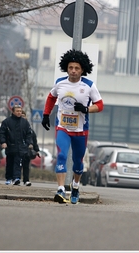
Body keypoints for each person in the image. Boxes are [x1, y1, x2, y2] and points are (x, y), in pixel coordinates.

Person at [41, 49, 104, 204]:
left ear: (82, 69)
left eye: (77, 68)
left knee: (78, 161)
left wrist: (86, 109)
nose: (73, 71)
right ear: (66, 68)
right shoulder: (60, 83)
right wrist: (45, 115)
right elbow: (51, 97)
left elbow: (100, 105)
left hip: (80, 130)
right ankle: (61, 189)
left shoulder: (89, 86)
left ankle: (75, 186)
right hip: (62, 126)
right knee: (61, 155)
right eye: (71, 68)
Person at [0, 105, 34, 186]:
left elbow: (29, 133)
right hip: (10, 146)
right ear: (13, 112)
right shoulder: (7, 122)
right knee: (10, 163)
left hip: (21, 147)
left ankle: (16, 178)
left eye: (20, 111)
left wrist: (28, 143)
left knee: (18, 162)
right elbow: (1, 133)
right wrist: (3, 142)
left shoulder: (24, 122)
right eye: (17, 111)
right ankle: (8, 178)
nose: (19, 113)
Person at [21, 109, 40, 186]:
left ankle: (26, 180)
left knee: (26, 166)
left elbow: (34, 139)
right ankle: (15, 178)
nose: (22, 117)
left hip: (27, 150)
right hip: (18, 149)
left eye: (23, 116)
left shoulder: (29, 129)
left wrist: (36, 149)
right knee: (17, 165)